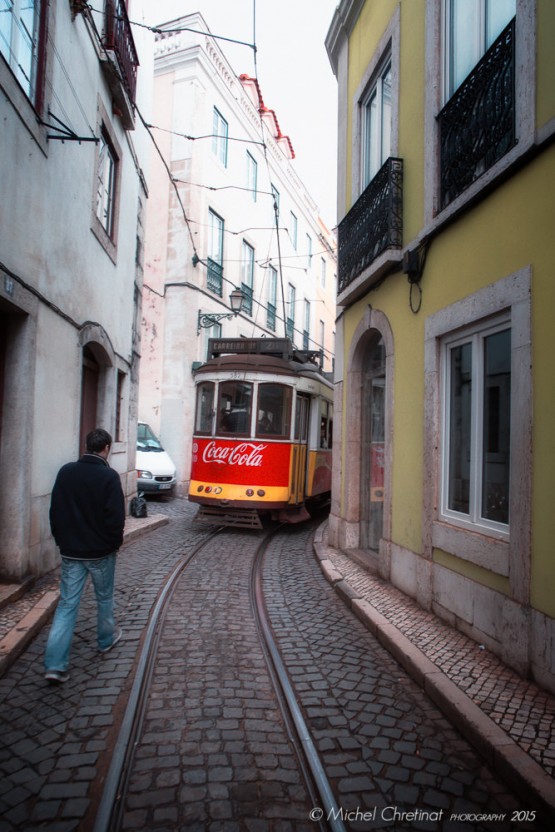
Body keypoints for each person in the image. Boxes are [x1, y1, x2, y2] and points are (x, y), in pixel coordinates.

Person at [44, 428, 126, 683]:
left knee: (67, 605)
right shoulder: (109, 476)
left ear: (87, 446)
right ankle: (105, 641)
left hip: (71, 552)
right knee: (104, 599)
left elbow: (54, 510)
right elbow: (115, 519)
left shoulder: (66, 472)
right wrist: (114, 544)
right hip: (100, 552)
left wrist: (61, 541)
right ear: (107, 448)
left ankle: (55, 665)